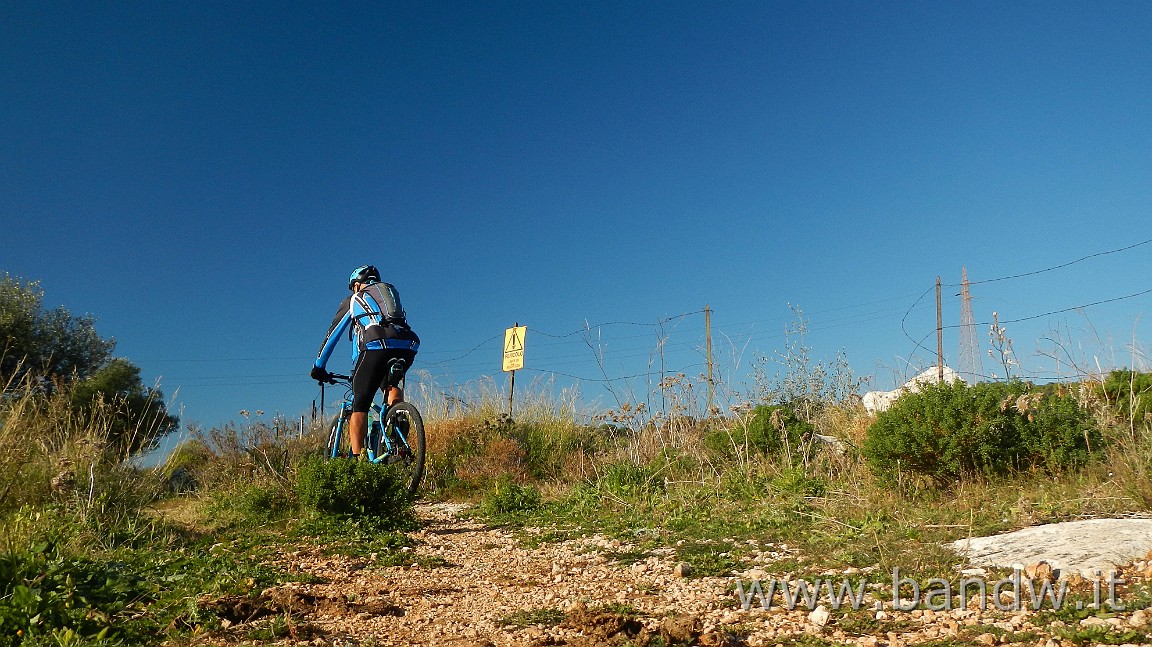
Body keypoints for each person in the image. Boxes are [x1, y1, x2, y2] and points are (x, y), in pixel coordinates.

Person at [311, 265, 420, 459]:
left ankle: (356, 458)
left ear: (357, 284)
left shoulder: (354, 299)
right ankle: (395, 436)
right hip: (407, 344)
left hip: (376, 345)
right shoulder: (388, 296)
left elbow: (332, 336)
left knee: (360, 403)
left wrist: (319, 367)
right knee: (390, 385)